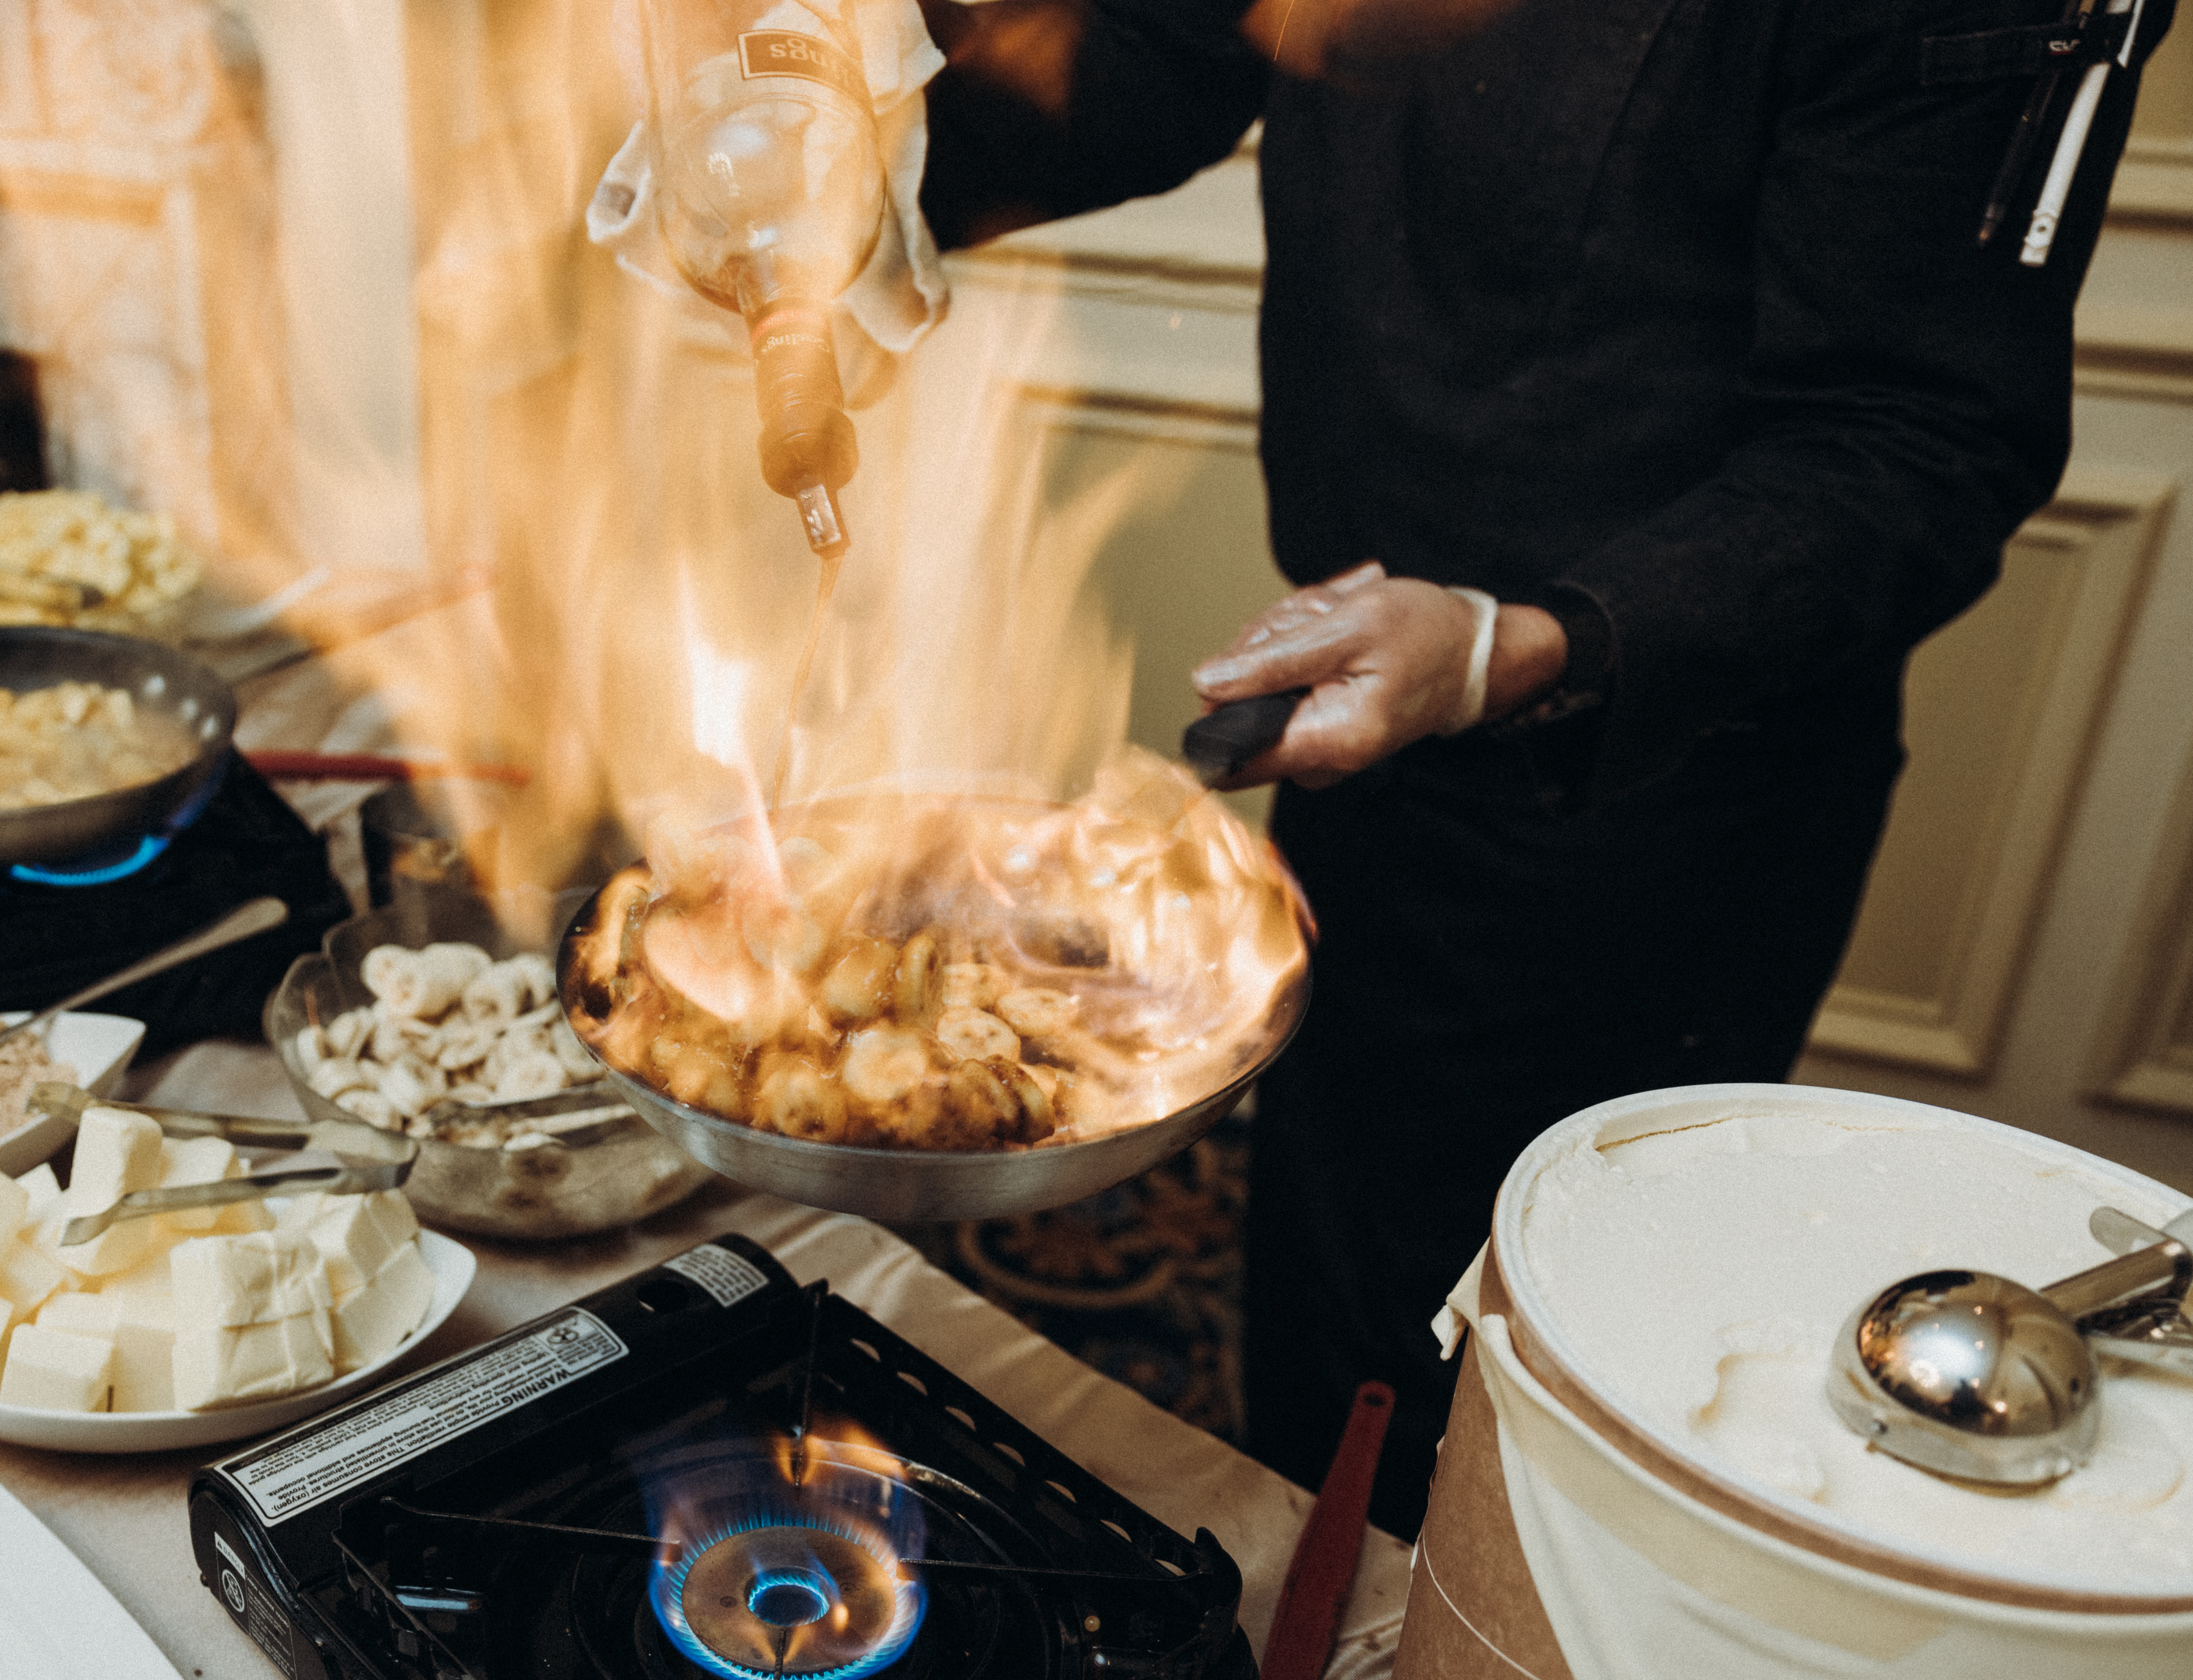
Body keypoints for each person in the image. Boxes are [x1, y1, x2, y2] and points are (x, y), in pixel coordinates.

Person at [915, 0, 2174, 1532]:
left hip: (1656, 819)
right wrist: (837, 155)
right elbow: (1155, 54)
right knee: (1322, 1289)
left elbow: (1911, 441)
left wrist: (1507, 648)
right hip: (1361, 722)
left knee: (1498, 1385)